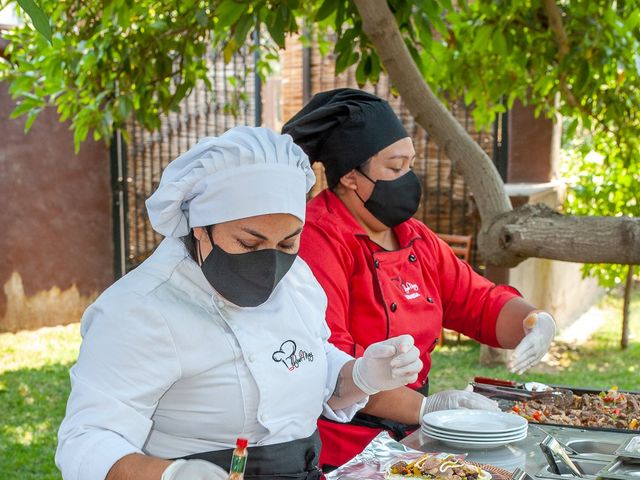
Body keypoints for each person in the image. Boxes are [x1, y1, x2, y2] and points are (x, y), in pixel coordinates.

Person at [55, 127, 424, 480]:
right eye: (249, 244)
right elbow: (85, 440)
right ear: (200, 226)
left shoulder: (298, 282)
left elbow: (304, 362)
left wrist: (360, 376)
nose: (270, 265)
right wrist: (169, 474)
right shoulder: (140, 310)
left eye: (287, 244)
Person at [282, 89, 557, 470]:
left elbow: (476, 300)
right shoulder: (318, 239)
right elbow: (330, 366)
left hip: (410, 433)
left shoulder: (413, 235)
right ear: (349, 176)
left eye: (409, 166)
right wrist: (429, 407)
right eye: (394, 168)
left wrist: (534, 321)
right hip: (343, 442)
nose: (408, 179)